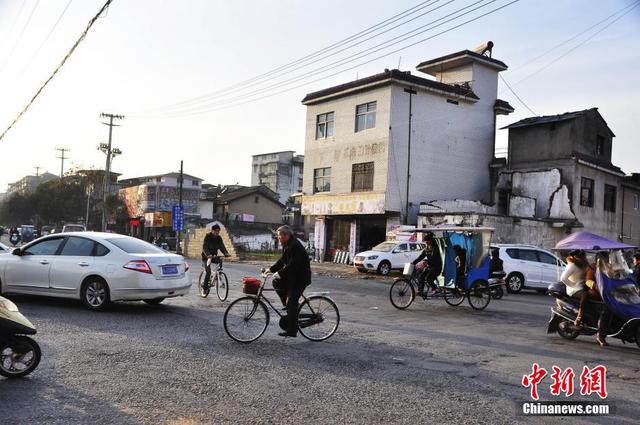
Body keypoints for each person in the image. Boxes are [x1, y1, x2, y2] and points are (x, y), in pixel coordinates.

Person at [267, 225, 311, 338]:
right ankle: (288, 305)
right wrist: (271, 269)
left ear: (286, 236)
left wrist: (280, 273)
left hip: (300, 279)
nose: (278, 238)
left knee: (292, 302)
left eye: (279, 236)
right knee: (276, 282)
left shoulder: (295, 246)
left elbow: (293, 265)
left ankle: (292, 330)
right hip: (292, 277)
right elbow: (283, 260)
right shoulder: (287, 244)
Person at [560, 250, 589, 328]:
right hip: (574, 289)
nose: (583, 258)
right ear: (575, 257)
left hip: (583, 286)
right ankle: (579, 316)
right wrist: (573, 285)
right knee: (585, 295)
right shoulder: (572, 265)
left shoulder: (585, 264)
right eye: (581, 257)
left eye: (583, 256)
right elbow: (563, 278)